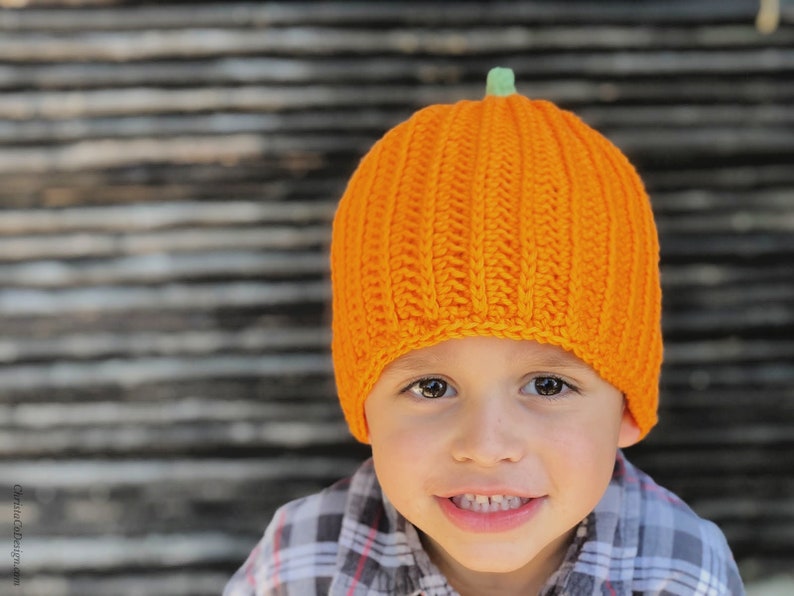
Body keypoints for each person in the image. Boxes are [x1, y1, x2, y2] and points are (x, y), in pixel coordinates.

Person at [225, 67, 745, 595]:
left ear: (627, 412)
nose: (485, 446)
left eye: (547, 385)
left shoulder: (680, 570)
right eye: (431, 387)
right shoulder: (300, 560)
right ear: (364, 408)